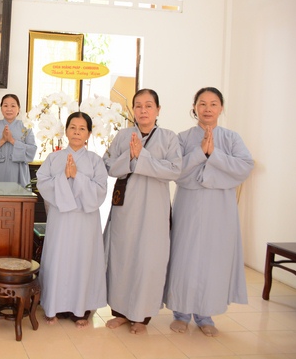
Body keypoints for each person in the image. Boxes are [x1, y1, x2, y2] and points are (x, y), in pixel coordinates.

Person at [164, 87, 254, 337]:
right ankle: (181, 313)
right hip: (189, 205)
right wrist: (199, 153)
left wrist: (214, 153)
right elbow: (175, 170)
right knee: (185, 256)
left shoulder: (231, 138)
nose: (207, 109)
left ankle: (206, 315)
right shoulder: (182, 138)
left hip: (220, 208)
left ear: (221, 108)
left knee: (213, 259)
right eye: (202, 103)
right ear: (194, 107)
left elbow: (245, 167)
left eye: (213, 104)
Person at [102, 88, 182, 334]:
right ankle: (121, 312)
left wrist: (141, 157)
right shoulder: (123, 135)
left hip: (154, 211)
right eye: (138, 105)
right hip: (126, 210)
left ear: (158, 110)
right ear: (133, 110)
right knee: (123, 258)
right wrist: (130, 157)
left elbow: (174, 170)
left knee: (148, 261)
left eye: (149, 105)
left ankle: (142, 316)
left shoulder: (169, 138)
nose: (143, 110)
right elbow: (107, 165)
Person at [36, 111, 108, 328]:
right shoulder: (54, 158)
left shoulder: (96, 161)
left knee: (82, 261)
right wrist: (64, 176)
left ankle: (80, 309)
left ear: (89, 134)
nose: (77, 132)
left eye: (82, 129)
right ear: (66, 131)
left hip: (86, 221)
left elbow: (100, 191)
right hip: (61, 219)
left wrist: (77, 176)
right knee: (58, 259)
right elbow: (42, 183)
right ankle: (53, 306)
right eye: (73, 128)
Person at [0, 94, 36, 188]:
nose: (9, 109)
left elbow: (32, 151)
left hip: (19, 173)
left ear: (18, 109)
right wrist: (2, 140)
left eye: (13, 106)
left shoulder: (26, 126)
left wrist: (12, 140)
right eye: (5, 105)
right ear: (1, 108)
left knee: (18, 195)